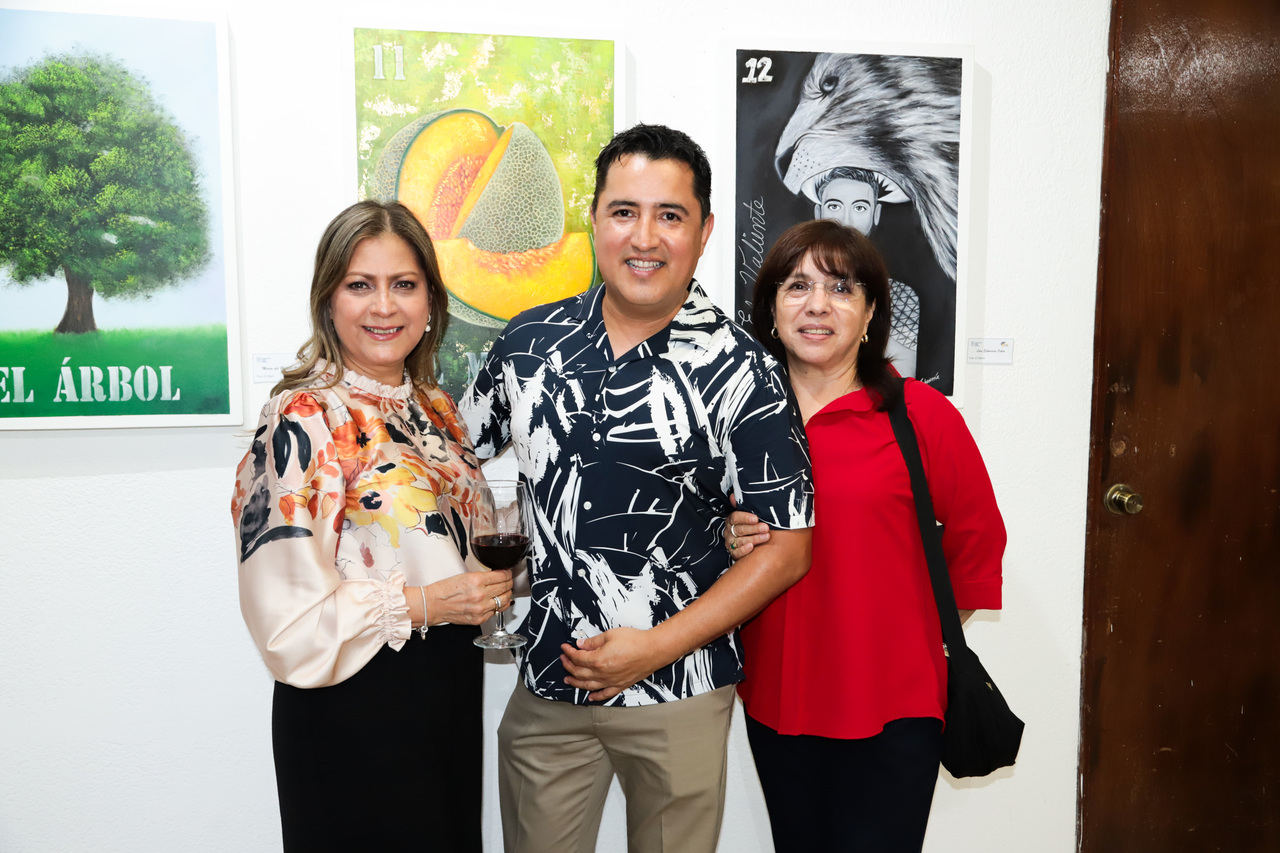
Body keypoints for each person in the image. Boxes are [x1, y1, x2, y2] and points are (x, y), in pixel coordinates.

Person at [460, 124, 815, 853]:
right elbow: (449, 454)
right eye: (624, 211)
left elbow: (788, 549)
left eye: (670, 215)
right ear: (594, 220)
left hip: (679, 689)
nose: (644, 237)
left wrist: (652, 647)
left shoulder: (744, 369)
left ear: (704, 231)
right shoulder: (528, 344)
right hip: (548, 684)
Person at [231, 200, 514, 852]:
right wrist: (426, 602)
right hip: (351, 702)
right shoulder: (303, 416)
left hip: (445, 691)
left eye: (403, 284)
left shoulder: (435, 407)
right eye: (360, 284)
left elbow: (458, 548)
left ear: (430, 302)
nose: (384, 306)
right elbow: (286, 622)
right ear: (328, 300)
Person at [725, 218, 1005, 853]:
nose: (818, 305)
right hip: (778, 694)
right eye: (798, 286)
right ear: (771, 307)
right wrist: (727, 535)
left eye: (842, 288)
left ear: (871, 311)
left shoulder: (921, 414)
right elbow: (691, 533)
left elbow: (977, 538)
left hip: (896, 701)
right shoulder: (738, 418)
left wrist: (912, 640)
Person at [810, 166, 921, 379]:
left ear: (875, 214)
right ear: (818, 212)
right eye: (834, 206)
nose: (846, 220)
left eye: (860, 207)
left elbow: (900, 380)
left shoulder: (900, 296)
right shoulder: (797, 292)